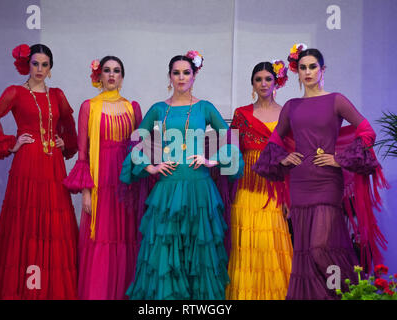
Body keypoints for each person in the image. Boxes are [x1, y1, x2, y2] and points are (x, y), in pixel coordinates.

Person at [254, 44, 388, 300]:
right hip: (301, 184)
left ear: (322, 70)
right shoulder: (291, 106)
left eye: (312, 67)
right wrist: (283, 157)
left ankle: (352, 294)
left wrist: (341, 159)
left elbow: (367, 130)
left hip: (327, 183)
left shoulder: (336, 99)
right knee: (304, 251)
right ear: (297, 72)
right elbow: (274, 142)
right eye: (303, 67)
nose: (307, 72)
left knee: (320, 248)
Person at [120, 50, 243, 299]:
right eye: (176, 73)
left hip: (200, 191)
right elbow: (135, 143)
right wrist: (151, 167)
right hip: (167, 191)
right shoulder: (157, 109)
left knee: (199, 254)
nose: (181, 77)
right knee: (166, 253)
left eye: (186, 72)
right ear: (169, 76)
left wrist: (211, 160)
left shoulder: (205, 108)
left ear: (194, 75)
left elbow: (231, 139)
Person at [0, 43, 79, 299]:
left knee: (54, 224)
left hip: (53, 163)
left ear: (50, 68)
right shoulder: (15, 92)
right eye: (35, 64)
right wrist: (11, 143)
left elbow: (68, 123)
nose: (40, 69)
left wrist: (65, 142)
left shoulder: (57, 95)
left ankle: (49, 291)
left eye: (45, 65)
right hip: (27, 162)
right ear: (28, 65)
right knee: (26, 222)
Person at [63, 56, 142, 300]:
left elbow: (139, 149)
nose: (111, 75)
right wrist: (86, 190)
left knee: (127, 237)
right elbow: (83, 154)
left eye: (116, 71)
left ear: (122, 76)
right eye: (107, 70)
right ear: (99, 75)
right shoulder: (90, 106)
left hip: (126, 183)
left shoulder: (132, 107)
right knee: (101, 238)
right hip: (99, 183)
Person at [226, 61, 293, 300]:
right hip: (246, 189)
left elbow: (290, 157)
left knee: (270, 247)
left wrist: (289, 196)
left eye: (268, 79)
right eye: (258, 79)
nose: (263, 83)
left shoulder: (287, 113)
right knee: (246, 249)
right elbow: (231, 152)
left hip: (274, 192)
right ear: (252, 84)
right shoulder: (241, 114)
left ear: (276, 83)